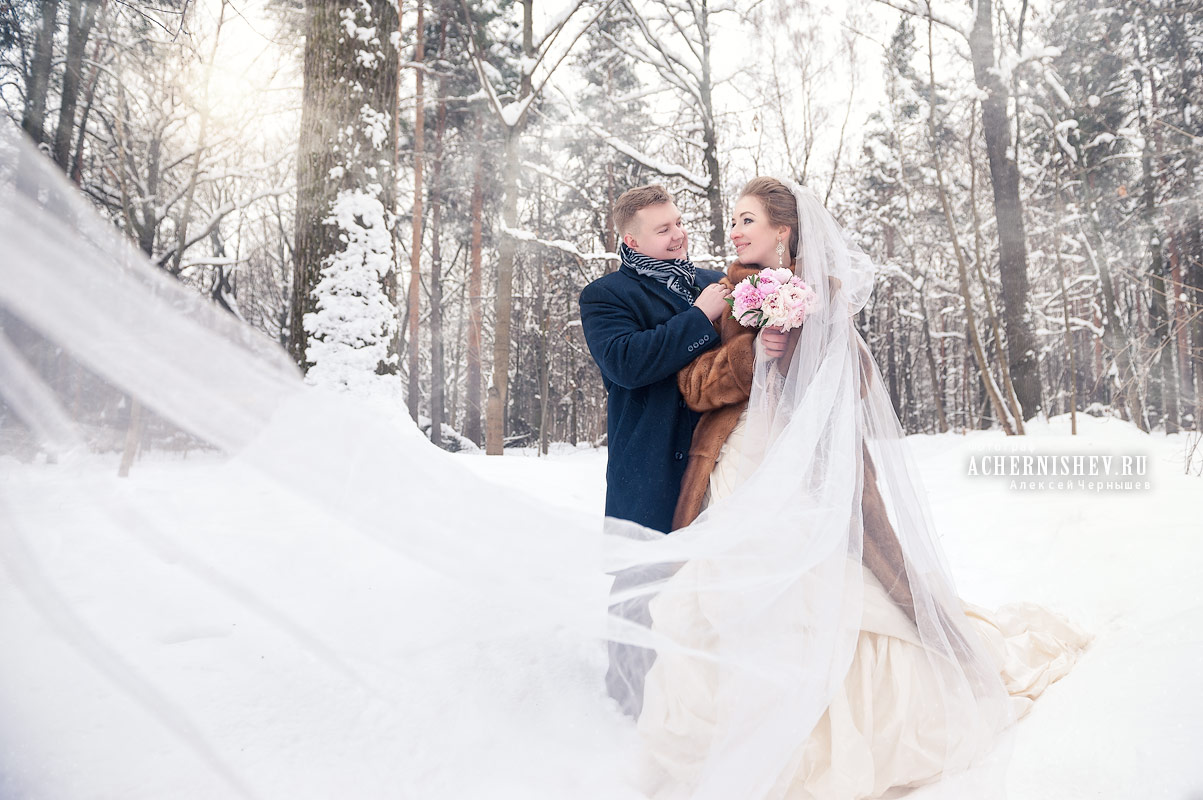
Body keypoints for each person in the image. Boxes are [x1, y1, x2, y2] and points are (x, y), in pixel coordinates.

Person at [628, 177, 1091, 800]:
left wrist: (813, 344)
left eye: (746, 220)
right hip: (742, 465)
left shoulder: (828, 295)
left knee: (826, 590)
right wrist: (755, 356)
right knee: (717, 593)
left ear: (783, 231)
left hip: (811, 470)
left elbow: (862, 386)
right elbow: (694, 387)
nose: (732, 231)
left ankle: (843, 729)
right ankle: (729, 739)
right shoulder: (725, 293)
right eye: (733, 221)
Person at [579, 184, 730, 536]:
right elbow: (626, 363)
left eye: (678, 222)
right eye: (664, 230)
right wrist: (700, 317)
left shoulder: (716, 282)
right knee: (647, 584)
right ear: (632, 241)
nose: (678, 235)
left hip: (720, 462)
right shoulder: (605, 295)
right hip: (651, 470)